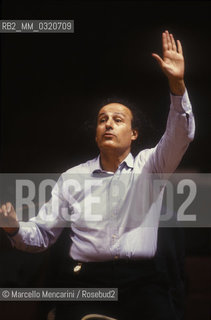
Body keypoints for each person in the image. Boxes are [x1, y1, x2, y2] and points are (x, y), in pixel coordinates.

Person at [0, 31, 195, 320]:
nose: (108, 124)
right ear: (95, 134)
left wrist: (177, 84)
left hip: (143, 284)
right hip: (87, 282)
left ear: (134, 134)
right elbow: (41, 234)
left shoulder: (151, 165)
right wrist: (14, 229)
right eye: (102, 120)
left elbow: (181, 134)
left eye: (118, 120)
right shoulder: (72, 178)